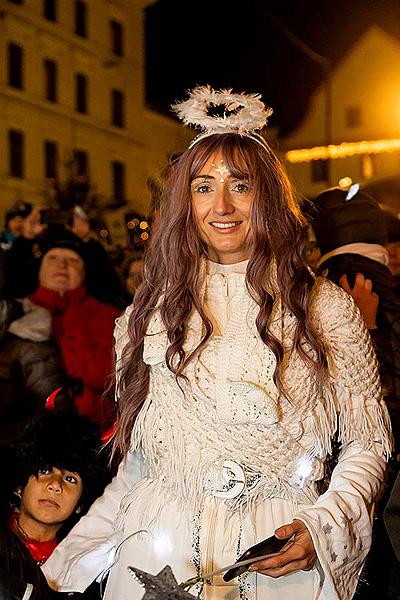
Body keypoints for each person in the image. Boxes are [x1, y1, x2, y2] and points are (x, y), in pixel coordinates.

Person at [42, 86, 392, 600]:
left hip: (275, 557)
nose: (221, 205)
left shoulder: (323, 307)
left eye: (241, 186)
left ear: (267, 196)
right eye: (203, 187)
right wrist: (67, 565)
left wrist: (323, 527)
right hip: (158, 552)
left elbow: (368, 441)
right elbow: (143, 464)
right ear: (187, 201)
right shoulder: (151, 312)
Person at [0, 409, 109, 599]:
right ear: (19, 486)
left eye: (70, 479)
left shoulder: (86, 569)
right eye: (44, 470)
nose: (55, 485)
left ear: (80, 505)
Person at [27, 227, 121, 432]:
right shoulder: (18, 311)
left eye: (72, 260)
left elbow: (113, 378)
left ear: (84, 271)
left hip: (93, 437)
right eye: (52, 258)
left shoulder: (109, 316)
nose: (61, 265)